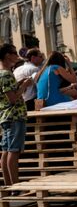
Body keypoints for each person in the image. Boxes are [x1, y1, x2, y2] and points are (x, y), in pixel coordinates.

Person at [0, 44, 33, 186]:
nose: (16, 55)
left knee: (6, 150)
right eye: (14, 53)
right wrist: (25, 86)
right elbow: (13, 98)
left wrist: (19, 84)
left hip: (6, 116)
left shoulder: (2, 74)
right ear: (7, 55)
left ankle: (9, 185)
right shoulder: (6, 74)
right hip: (14, 116)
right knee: (13, 151)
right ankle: (15, 185)